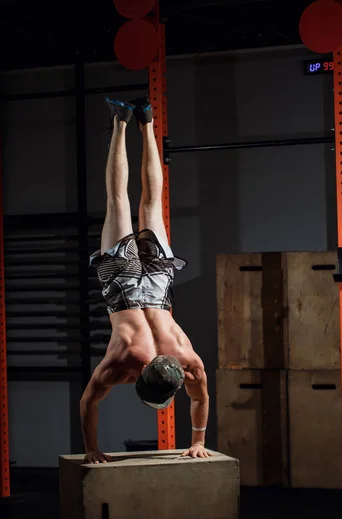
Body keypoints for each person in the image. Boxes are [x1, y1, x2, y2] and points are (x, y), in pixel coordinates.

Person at [80, 97, 211, 464]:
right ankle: (123, 122)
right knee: (118, 201)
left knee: (151, 204)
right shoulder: (122, 362)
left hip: (156, 289)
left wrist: (199, 439)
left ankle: (146, 122)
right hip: (122, 288)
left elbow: (200, 396)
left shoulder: (187, 360)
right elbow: (88, 402)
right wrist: (91, 448)